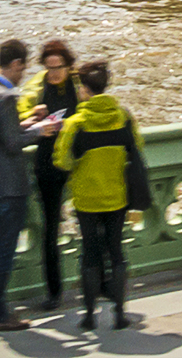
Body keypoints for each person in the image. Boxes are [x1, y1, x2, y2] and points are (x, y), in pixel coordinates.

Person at [0, 38, 62, 333]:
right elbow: (12, 143)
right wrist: (41, 130)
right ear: (16, 64)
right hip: (9, 184)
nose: (23, 74)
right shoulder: (7, 98)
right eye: (23, 67)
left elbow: (0, 133)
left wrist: (28, 121)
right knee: (4, 249)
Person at [51, 58, 149, 332]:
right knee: (117, 251)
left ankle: (90, 316)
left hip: (86, 200)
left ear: (84, 89)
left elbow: (63, 161)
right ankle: (119, 314)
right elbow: (136, 148)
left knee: (90, 253)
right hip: (116, 197)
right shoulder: (124, 116)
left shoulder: (76, 123)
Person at [26, 39, 80, 309]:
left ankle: (98, 282)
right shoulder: (38, 87)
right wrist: (33, 117)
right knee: (50, 230)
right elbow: (19, 112)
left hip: (78, 163)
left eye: (58, 67)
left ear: (68, 65)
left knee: (91, 223)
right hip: (47, 164)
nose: (54, 73)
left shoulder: (80, 85)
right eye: (49, 68)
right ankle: (54, 292)